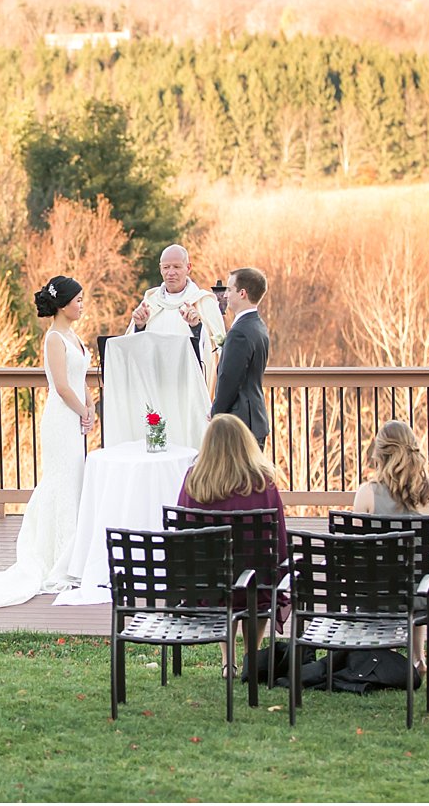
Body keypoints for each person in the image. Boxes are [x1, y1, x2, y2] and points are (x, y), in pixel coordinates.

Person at [0, 276, 93, 610]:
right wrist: (82, 410)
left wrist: (91, 407)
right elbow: (61, 386)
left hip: (76, 417)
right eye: (78, 300)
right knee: (60, 482)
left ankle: (72, 551)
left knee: (75, 481)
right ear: (63, 304)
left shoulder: (74, 335)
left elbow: (80, 378)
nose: (82, 305)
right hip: (61, 418)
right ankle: (56, 554)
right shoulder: (55, 338)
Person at [176, 413, 289, 677]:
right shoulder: (263, 483)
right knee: (259, 587)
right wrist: (281, 571)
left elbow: (182, 539)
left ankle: (229, 660)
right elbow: (280, 540)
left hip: (209, 584)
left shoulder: (195, 481)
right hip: (256, 584)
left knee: (225, 584)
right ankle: (252, 657)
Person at [353, 419, 429, 673]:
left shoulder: (367, 493)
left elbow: (357, 551)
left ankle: (391, 652)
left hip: (378, 593)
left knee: (391, 572)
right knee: (418, 570)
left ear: (379, 454)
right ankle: (418, 657)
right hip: (423, 595)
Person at [127, 244, 226, 380]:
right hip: (154, 382)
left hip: (190, 382)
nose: (171, 272)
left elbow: (217, 351)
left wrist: (196, 327)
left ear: (188, 268)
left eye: (177, 267)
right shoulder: (150, 303)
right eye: (166, 267)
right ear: (160, 269)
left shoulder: (203, 302)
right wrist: (139, 327)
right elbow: (134, 349)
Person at [209, 267, 271, 449]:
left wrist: (216, 413)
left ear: (242, 293)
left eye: (229, 289)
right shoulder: (258, 325)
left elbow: (230, 379)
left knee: (236, 477)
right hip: (254, 419)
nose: (225, 295)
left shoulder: (240, 332)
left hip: (239, 423)